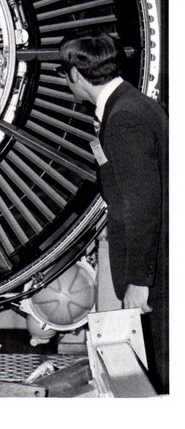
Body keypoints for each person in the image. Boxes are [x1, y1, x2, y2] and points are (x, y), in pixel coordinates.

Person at [59, 32, 168, 393]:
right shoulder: (134, 105)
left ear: (76, 74)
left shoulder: (124, 120)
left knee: (161, 374)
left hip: (157, 276)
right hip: (161, 267)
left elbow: (143, 207)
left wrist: (139, 281)